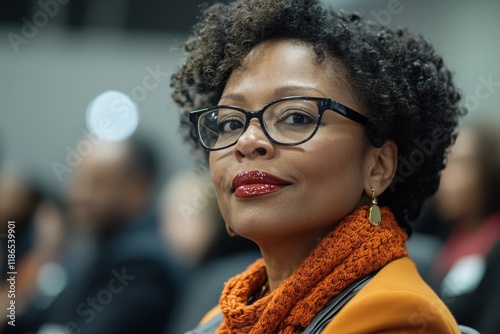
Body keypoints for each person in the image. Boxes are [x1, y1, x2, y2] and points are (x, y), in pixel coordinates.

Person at [170, 0, 468, 333]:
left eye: (296, 117)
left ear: (378, 166)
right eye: (229, 123)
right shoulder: (224, 316)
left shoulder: (397, 316)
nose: (247, 140)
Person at [16, 136, 178, 334]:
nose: (77, 194)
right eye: (78, 179)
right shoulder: (98, 249)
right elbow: (39, 318)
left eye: (97, 182)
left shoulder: (143, 265)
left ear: (138, 188)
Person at [430, 125, 500, 334]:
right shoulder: (449, 236)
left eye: (461, 164)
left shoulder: (495, 247)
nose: (445, 176)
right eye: (445, 163)